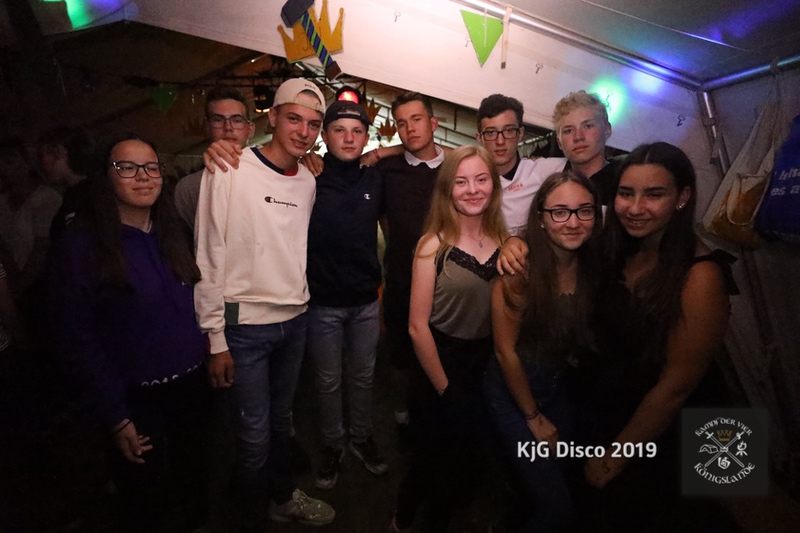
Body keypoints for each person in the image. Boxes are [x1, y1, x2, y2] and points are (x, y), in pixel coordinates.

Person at [48, 133, 210, 532]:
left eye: (151, 167)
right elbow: (76, 340)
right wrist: (116, 416)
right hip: (135, 399)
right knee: (146, 495)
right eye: (127, 167)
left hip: (191, 387)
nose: (142, 176)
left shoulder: (175, 234)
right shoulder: (82, 247)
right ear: (105, 177)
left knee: (196, 479)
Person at [194, 78, 334, 530]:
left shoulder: (308, 179)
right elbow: (209, 253)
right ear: (271, 117)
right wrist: (215, 337)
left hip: (295, 320)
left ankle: (280, 498)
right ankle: (252, 518)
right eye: (293, 118)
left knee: (281, 424)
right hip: (245, 329)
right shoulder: (229, 167)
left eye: (313, 124)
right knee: (253, 437)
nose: (303, 131)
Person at [573, 142, 735, 531]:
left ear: (682, 198)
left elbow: (677, 387)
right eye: (626, 193)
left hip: (670, 430)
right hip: (615, 410)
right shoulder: (622, 248)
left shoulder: (702, 275)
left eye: (654, 194)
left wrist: (616, 456)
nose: (635, 207)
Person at [391, 145, 507, 533]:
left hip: (484, 365)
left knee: (466, 457)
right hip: (440, 362)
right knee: (430, 460)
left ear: (494, 185)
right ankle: (403, 519)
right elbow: (416, 327)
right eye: (461, 181)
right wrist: (445, 389)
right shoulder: (432, 245)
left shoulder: (504, 242)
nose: (472, 189)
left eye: (481, 179)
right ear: (447, 189)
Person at [484, 172, 602, 532]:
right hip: (513, 395)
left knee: (557, 472)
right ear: (540, 218)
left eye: (584, 210)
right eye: (560, 212)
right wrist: (533, 417)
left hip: (555, 387)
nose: (573, 222)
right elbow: (505, 352)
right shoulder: (518, 271)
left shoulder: (592, 264)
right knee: (557, 508)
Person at [307, 99, 388, 490]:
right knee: (327, 381)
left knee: (363, 377)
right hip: (322, 302)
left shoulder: (375, 177)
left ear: (367, 137)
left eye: (357, 131)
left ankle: (360, 437)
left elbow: (420, 147)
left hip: (365, 301)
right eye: (339, 130)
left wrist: (384, 152)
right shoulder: (308, 176)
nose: (349, 138)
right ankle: (332, 444)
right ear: (325, 136)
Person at [379, 91, 448, 433]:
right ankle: (402, 416)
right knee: (401, 354)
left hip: (449, 284)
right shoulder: (386, 169)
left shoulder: (455, 168)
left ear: (433, 123)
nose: (410, 129)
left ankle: (441, 415)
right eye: (402, 123)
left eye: (417, 120)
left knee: (444, 352)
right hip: (401, 281)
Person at [475, 94, 567, 236]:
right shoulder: (469, 181)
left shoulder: (540, 171)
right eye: (491, 132)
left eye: (509, 130)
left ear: (520, 133)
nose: (500, 141)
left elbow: (586, 164)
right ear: (479, 138)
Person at [174, 86, 255, 234]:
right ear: (207, 127)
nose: (228, 127)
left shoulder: (269, 177)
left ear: (250, 129)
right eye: (218, 120)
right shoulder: (189, 188)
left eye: (237, 120)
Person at [37, 126, 94, 241]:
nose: (40, 163)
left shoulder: (83, 197)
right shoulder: (82, 193)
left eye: (42, 155)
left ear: (59, 152)